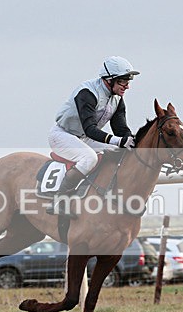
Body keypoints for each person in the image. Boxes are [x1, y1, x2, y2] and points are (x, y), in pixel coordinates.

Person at [47, 56, 139, 216]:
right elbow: (90, 129)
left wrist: (132, 141)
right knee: (90, 158)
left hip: (85, 138)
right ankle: (59, 200)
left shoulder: (117, 98)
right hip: (63, 135)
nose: (127, 86)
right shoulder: (87, 93)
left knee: (121, 152)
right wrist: (120, 141)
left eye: (128, 81)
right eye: (123, 81)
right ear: (110, 80)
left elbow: (120, 129)